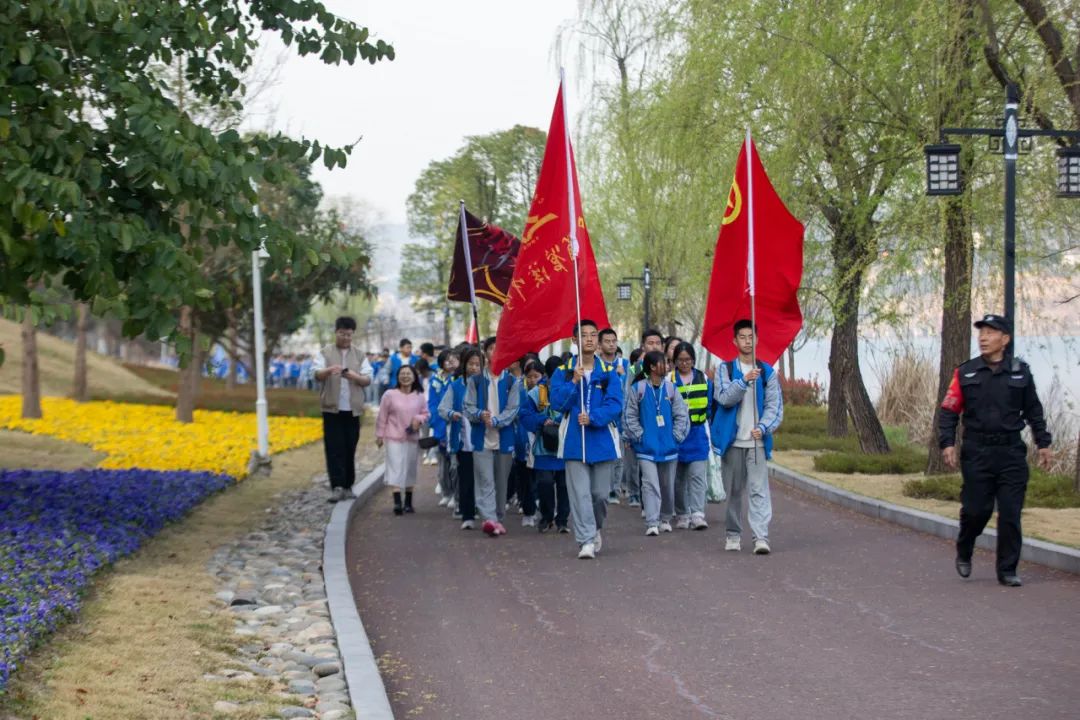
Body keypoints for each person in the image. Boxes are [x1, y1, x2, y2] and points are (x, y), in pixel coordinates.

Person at [939, 313, 1053, 587]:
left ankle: (1007, 570)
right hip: (977, 452)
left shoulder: (1020, 372)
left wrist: (1043, 443)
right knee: (977, 510)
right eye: (981, 333)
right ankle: (965, 547)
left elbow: (1034, 410)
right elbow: (949, 410)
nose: (983, 337)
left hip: (1011, 452)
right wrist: (947, 443)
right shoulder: (965, 372)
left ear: (1005, 339)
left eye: (990, 332)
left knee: (1011, 513)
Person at [550, 319, 624, 559]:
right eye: (584, 335)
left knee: (600, 494)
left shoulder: (610, 373)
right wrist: (573, 382)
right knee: (579, 494)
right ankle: (586, 540)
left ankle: (596, 528)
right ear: (575, 340)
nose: (590, 339)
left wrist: (593, 417)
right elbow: (557, 404)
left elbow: (615, 405)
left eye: (593, 335)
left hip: (602, 440)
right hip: (574, 441)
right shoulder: (563, 372)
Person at [712, 320, 784, 555]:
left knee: (758, 489)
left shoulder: (767, 372)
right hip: (733, 441)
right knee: (733, 490)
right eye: (742, 337)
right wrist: (743, 381)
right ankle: (733, 534)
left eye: (750, 336)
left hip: (756, 441)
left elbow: (775, 407)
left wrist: (763, 427)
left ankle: (760, 536)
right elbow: (723, 398)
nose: (746, 341)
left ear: (757, 339)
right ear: (734, 341)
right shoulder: (725, 370)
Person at [624, 350, 690, 535]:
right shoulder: (638, 389)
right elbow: (629, 416)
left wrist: (676, 437)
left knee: (667, 485)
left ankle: (665, 518)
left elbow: (682, 415)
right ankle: (652, 522)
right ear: (652, 367)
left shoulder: (671, 389)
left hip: (670, 448)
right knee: (650, 483)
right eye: (663, 363)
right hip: (646, 448)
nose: (667, 366)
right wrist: (640, 437)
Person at [464, 338, 521, 537]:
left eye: (499, 348)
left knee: (501, 481)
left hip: (504, 438)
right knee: (485, 480)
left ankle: (498, 516)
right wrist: (480, 414)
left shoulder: (512, 382)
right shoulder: (475, 381)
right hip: (481, 438)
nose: (495, 352)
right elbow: (468, 407)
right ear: (485, 353)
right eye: (491, 348)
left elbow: (513, 409)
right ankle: (489, 519)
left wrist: (497, 421)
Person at [313, 317, 373, 502]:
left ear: (353, 334)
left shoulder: (360, 355)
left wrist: (352, 375)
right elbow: (316, 374)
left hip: (352, 410)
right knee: (334, 447)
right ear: (336, 332)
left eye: (349, 334)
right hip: (332, 409)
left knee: (349, 447)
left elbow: (367, 379)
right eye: (342, 333)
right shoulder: (325, 352)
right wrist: (329, 370)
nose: (346, 337)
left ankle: (348, 485)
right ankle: (337, 486)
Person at [520, 357, 570, 533]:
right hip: (543, 447)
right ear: (548, 375)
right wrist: (542, 420)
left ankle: (562, 520)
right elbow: (524, 416)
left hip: (566, 447)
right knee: (545, 483)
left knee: (565, 485)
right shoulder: (536, 393)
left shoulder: (572, 390)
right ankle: (547, 517)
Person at [376, 365, 431, 515]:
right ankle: (397, 503)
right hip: (393, 436)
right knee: (395, 467)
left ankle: (408, 502)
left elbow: (426, 414)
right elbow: (382, 416)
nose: (405, 376)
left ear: (414, 377)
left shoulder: (419, 395)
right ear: (398, 377)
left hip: (411, 438)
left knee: (409, 468)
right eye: (402, 374)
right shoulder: (389, 394)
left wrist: (418, 419)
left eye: (408, 374)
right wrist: (380, 435)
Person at [670, 342, 713, 530]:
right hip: (676, 435)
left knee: (697, 476)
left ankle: (697, 514)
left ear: (694, 360)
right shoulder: (668, 380)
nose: (685, 363)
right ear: (675, 361)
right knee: (679, 478)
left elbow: (711, 405)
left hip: (697, 433)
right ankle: (682, 514)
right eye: (680, 360)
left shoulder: (703, 378)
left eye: (688, 360)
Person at [439, 348, 481, 530]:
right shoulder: (456, 386)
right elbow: (442, 408)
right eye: (471, 364)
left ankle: (486, 511)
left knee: (485, 479)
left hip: (485, 441)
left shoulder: (487, 385)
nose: (474, 368)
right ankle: (468, 514)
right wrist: (451, 413)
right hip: (464, 442)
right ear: (464, 365)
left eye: (478, 364)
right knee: (466, 479)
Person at [623, 329, 664, 508]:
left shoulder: (669, 367)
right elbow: (628, 399)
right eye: (650, 343)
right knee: (645, 466)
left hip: (665, 424)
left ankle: (664, 504)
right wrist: (629, 431)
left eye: (657, 343)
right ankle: (647, 504)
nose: (654, 346)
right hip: (643, 424)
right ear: (643, 346)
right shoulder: (635, 369)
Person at [599, 327, 629, 505]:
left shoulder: (624, 365)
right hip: (602, 416)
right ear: (600, 345)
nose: (611, 344)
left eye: (613, 341)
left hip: (620, 418)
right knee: (606, 455)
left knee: (619, 456)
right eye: (607, 341)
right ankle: (604, 487)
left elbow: (629, 393)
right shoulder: (596, 365)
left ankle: (614, 490)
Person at [429, 349, 459, 507]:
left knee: (455, 464)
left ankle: (456, 494)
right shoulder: (436, 379)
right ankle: (446, 492)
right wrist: (436, 424)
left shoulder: (459, 378)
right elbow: (433, 404)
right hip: (441, 425)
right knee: (443, 465)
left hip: (455, 424)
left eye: (453, 359)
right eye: (447, 360)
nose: (450, 362)